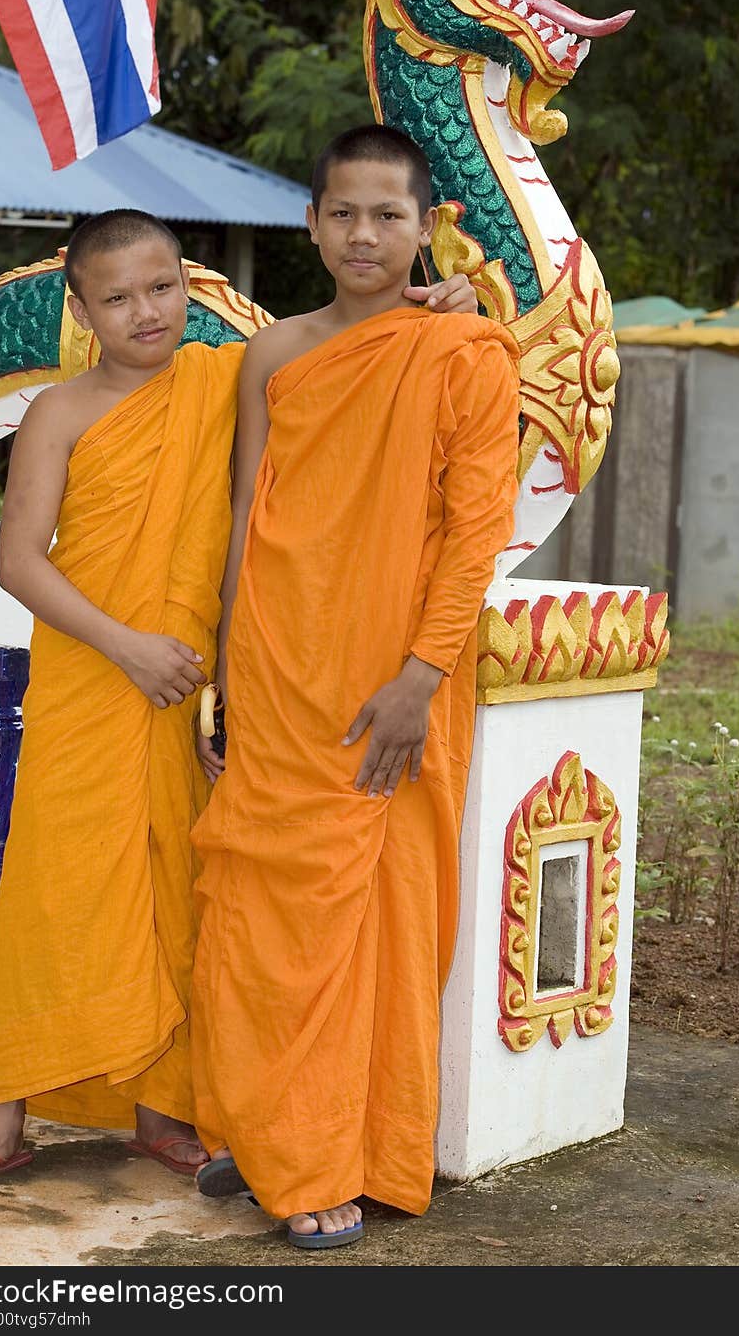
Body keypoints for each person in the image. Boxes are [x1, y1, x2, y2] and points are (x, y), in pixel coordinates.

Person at [0, 207, 479, 1189]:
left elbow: (339, 346)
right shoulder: (59, 413)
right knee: (52, 890)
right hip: (92, 675)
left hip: (191, 687)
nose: (144, 312)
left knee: (177, 895)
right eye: (115, 298)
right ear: (82, 308)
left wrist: (441, 303)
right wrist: (124, 647)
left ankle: (161, 1109)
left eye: (161, 288)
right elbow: (19, 561)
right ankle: (2, 1119)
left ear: (191, 287)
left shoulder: (231, 375)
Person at [188, 125, 521, 1248]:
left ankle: (341, 1152)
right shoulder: (276, 353)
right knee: (255, 906)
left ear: (425, 227)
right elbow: (247, 515)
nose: (364, 234)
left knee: (373, 921)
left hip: (395, 680)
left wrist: (421, 675)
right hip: (280, 672)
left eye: (389, 215)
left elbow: (478, 532)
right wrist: (229, 672)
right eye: (344, 213)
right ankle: (272, 1124)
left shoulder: (463, 353)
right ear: (312, 224)